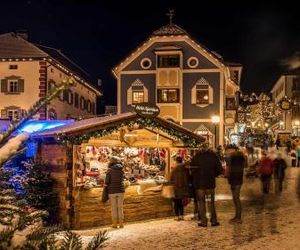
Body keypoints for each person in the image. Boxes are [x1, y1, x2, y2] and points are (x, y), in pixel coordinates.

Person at [190, 148, 223, 227]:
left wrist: (196, 176)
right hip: (210, 183)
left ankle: (204, 221)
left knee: (201, 202)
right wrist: (213, 175)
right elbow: (219, 169)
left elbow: (192, 170)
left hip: (199, 184)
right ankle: (213, 221)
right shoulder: (213, 156)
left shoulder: (196, 157)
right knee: (210, 202)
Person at [225, 145, 246, 224]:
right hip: (238, 179)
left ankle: (238, 217)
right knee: (236, 198)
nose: (227, 152)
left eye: (228, 150)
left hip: (235, 179)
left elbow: (230, 169)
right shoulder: (240, 157)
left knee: (236, 198)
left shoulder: (232, 158)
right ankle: (237, 216)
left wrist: (227, 175)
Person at [105, 156, 125, 228]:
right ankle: (121, 224)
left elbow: (107, 181)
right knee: (120, 207)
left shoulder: (109, 170)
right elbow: (123, 179)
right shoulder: (122, 169)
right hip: (121, 190)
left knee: (114, 208)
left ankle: (115, 224)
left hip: (112, 191)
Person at [170, 156, 190, 221]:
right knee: (181, 202)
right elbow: (188, 178)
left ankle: (176, 216)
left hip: (176, 188)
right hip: (183, 188)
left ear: (176, 161)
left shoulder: (174, 169)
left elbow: (171, 179)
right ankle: (181, 215)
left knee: (176, 202)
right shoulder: (185, 169)